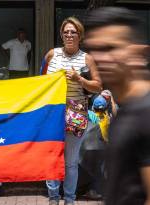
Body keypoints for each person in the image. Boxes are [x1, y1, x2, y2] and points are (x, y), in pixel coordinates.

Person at [84, 7, 150, 205]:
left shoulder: (146, 115)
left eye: (110, 48)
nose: (100, 58)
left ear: (138, 52)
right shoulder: (124, 110)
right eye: (94, 49)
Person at [40, 16, 102, 205]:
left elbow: (98, 86)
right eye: (66, 31)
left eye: (73, 32)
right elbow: (41, 82)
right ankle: (53, 198)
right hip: (52, 114)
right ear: (61, 34)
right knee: (52, 159)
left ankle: (69, 199)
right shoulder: (51, 55)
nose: (69, 35)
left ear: (80, 35)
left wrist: (80, 80)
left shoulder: (87, 58)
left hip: (76, 114)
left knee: (70, 162)